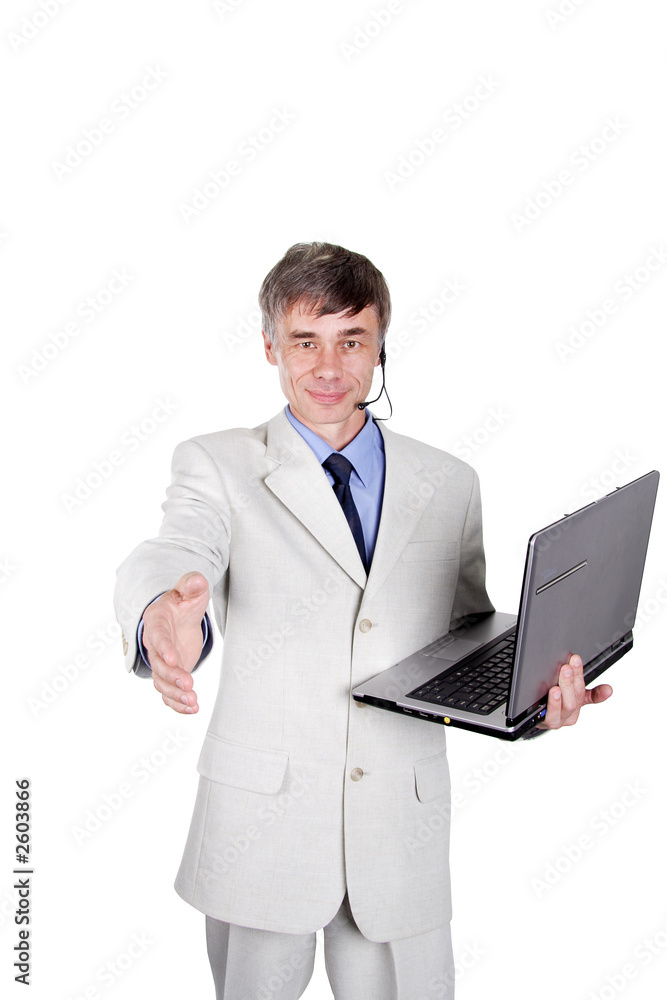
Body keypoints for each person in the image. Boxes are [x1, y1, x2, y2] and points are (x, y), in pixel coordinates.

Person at [114, 242, 612, 999]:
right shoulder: (218, 463)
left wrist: (536, 699)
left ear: (380, 345)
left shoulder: (448, 481)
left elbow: (466, 638)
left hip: (398, 827)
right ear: (270, 347)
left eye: (351, 341)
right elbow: (177, 548)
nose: (328, 367)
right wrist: (162, 610)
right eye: (305, 341)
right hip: (263, 823)